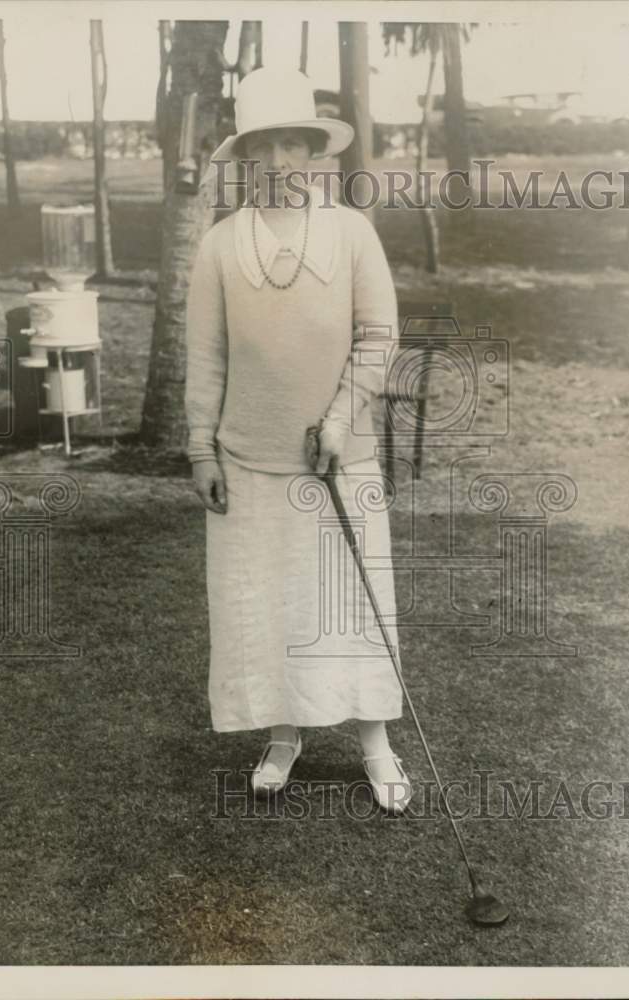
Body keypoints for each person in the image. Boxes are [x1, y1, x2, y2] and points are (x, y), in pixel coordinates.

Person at [185, 68, 412, 813]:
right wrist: (200, 448)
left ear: (315, 153)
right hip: (249, 463)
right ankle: (283, 735)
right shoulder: (220, 246)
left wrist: (341, 419)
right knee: (268, 604)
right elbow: (207, 357)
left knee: (353, 601)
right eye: (264, 147)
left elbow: (378, 337)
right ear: (246, 157)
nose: (281, 162)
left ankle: (377, 742)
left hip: (340, 462)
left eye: (295, 144)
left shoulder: (351, 232)